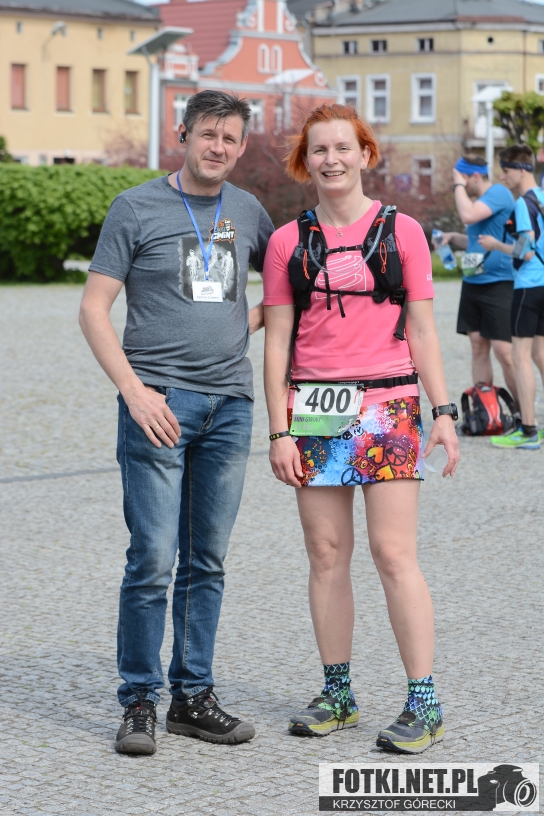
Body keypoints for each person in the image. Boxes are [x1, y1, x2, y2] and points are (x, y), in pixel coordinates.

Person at [79, 90, 274, 755]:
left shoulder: (247, 211)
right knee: (154, 557)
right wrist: (134, 391)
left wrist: (241, 329)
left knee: (207, 560)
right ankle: (139, 700)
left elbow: (287, 286)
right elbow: (94, 309)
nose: (219, 147)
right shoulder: (135, 207)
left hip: (230, 406)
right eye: (208, 134)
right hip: (158, 403)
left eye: (231, 138)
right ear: (183, 134)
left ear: (240, 147)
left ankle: (192, 697)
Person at [263, 104, 459, 754]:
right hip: (316, 408)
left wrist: (443, 413)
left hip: (389, 405)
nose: (332, 160)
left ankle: (423, 702)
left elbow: (423, 330)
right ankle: (338, 693)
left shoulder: (402, 232)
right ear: (306, 162)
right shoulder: (288, 243)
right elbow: (277, 341)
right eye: (319, 150)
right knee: (325, 555)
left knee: (393, 553)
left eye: (343, 148)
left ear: (365, 154)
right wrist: (279, 431)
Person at [478, 144, 544, 450]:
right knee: (540, 354)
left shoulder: (522, 203)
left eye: (505, 171)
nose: (502, 177)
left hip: (528, 286)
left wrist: (496, 245)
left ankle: (528, 430)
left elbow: (525, 250)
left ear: (520, 170)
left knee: (520, 356)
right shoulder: (542, 196)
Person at [439, 155, 517, 401]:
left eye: (462, 179)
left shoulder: (498, 193)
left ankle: (522, 411)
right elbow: (476, 241)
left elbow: (468, 216)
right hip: (473, 283)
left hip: (499, 283)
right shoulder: (480, 203)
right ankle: (486, 411)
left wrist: (458, 184)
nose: (459, 186)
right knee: (477, 345)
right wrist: (454, 238)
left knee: (504, 351)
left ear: (474, 176)